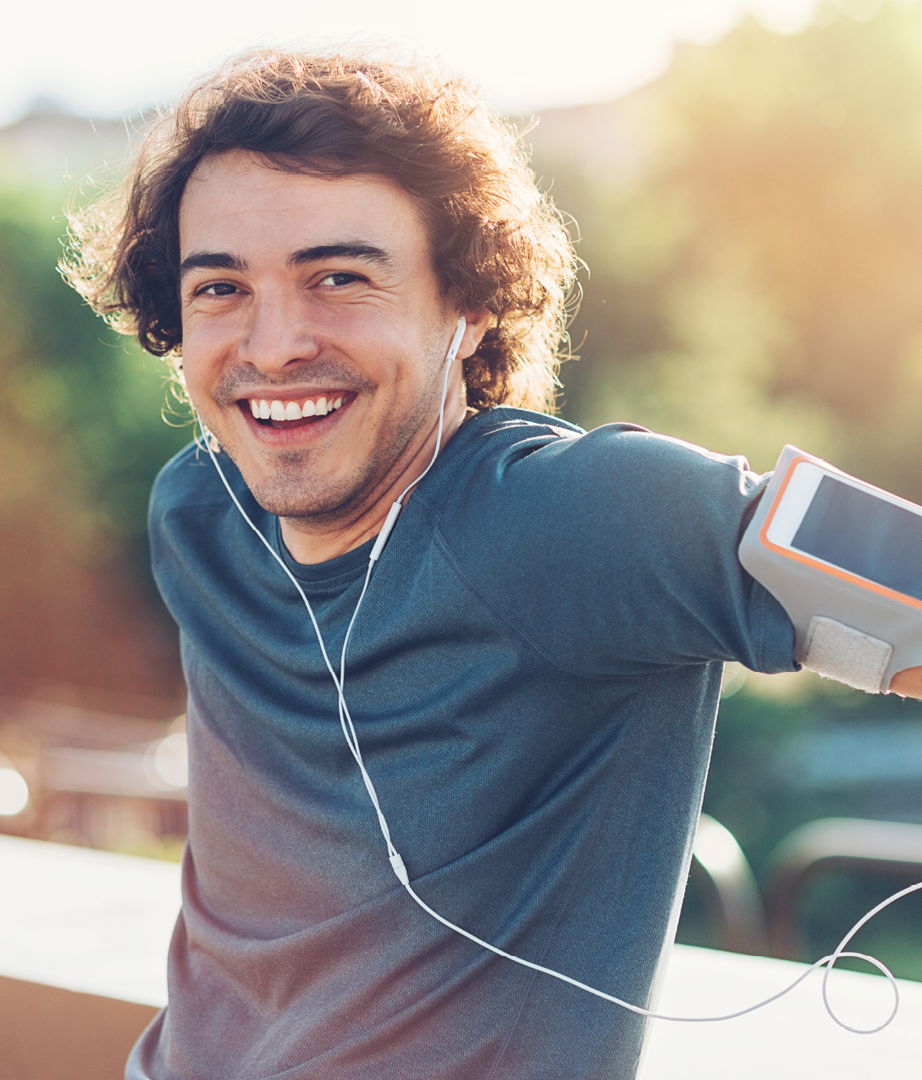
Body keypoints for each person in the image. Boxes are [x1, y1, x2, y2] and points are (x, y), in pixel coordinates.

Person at [63, 49, 922, 1080]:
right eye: (221, 289)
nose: (275, 341)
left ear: (467, 303)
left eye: (338, 277)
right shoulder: (196, 513)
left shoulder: (575, 515)